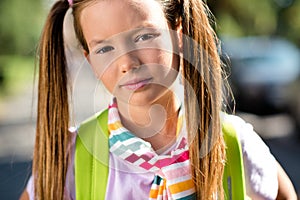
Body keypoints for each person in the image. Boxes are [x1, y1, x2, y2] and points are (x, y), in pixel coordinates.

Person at [20, 0, 297, 199]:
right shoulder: (70, 160)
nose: (127, 62)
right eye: (104, 48)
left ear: (177, 32)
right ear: (89, 60)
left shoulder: (232, 141)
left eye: (144, 36)